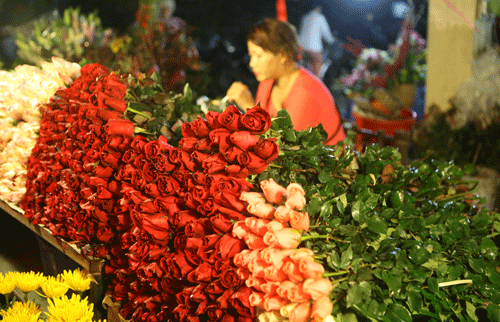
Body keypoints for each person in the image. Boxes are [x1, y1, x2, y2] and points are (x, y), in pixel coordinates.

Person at [226, 18, 345, 145]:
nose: (252, 63)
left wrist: (249, 108)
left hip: (323, 162)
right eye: (251, 56)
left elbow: (286, 147)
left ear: (283, 55)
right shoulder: (267, 83)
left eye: (258, 55)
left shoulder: (305, 91)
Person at [298, 1, 335, 76]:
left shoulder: (305, 16)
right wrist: (332, 40)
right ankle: (316, 81)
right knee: (318, 64)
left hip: (301, 46)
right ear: (319, 8)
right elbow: (327, 36)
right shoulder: (320, 17)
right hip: (313, 48)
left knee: (302, 64)